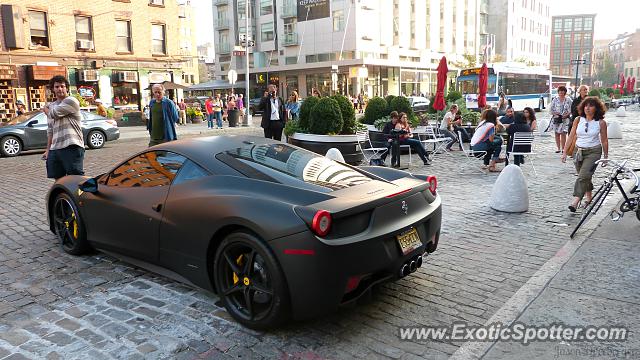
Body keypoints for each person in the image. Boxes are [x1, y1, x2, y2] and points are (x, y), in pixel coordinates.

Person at [562, 97, 609, 212]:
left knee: (583, 176)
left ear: (596, 108)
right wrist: (564, 152)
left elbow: (604, 140)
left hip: (594, 152)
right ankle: (589, 197)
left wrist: (606, 157)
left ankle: (575, 201)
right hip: (578, 151)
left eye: (591, 106)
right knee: (585, 176)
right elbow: (571, 136)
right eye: (586, 105)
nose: (587, 108)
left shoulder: (601, 123)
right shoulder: (578, 119)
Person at [42, 75, 85, 179]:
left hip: (71, 145)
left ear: (67, 88)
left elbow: (53, 114)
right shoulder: (51, 106)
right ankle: (62, 196)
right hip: (55, 148)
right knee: (58, 179)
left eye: (62, 86)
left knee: (75, 179)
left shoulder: (71, 101)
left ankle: (78, 195)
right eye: (57, 87)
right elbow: (50, 130)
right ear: (53, 89)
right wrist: (48, 150)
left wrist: (45, 109)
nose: (60, 89)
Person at [549, 85, 572, 153]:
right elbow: (550, 109)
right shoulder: (555, 99)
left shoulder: (569, 99)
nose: (561, 92)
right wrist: (555, 113)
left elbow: (571, 109)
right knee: (557, 133)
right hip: (557, 118)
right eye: (560, 91)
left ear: (565, 92)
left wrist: (567, 115)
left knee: (563, 133)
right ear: (558, 92)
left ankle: (563, 149)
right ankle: (558, 148)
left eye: (563, 91)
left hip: (565, 119)